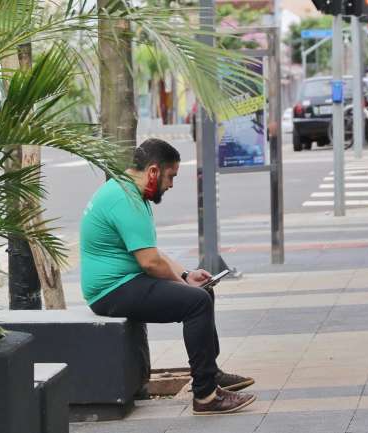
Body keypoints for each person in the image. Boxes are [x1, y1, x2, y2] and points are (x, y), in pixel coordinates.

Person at [79, 138, 256, 415]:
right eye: (170, 176)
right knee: (196, 302)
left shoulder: (129, 192)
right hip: (111, 291)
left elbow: (153, 253)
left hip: (125, 282)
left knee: (202, 291)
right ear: (153, 171)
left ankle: (210, 373)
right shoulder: (125, 200)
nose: (171, 184)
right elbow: (150, 262)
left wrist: (187, 274)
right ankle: (206, 397)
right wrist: (182, 281)